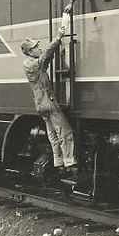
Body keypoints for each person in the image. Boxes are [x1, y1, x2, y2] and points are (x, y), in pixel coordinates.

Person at [20, 25, 77, 178]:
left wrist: (52, 52)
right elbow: (45, 56)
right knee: (65, 132)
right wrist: (58, 38)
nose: (39, 48)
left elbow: (45, 59)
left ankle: (58, 162)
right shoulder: (31, 64)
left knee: (53, 134)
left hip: (41, 104)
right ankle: (69, 162)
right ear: (30, 52)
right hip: (48, 103)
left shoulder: (31, 65)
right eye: (36, 47)